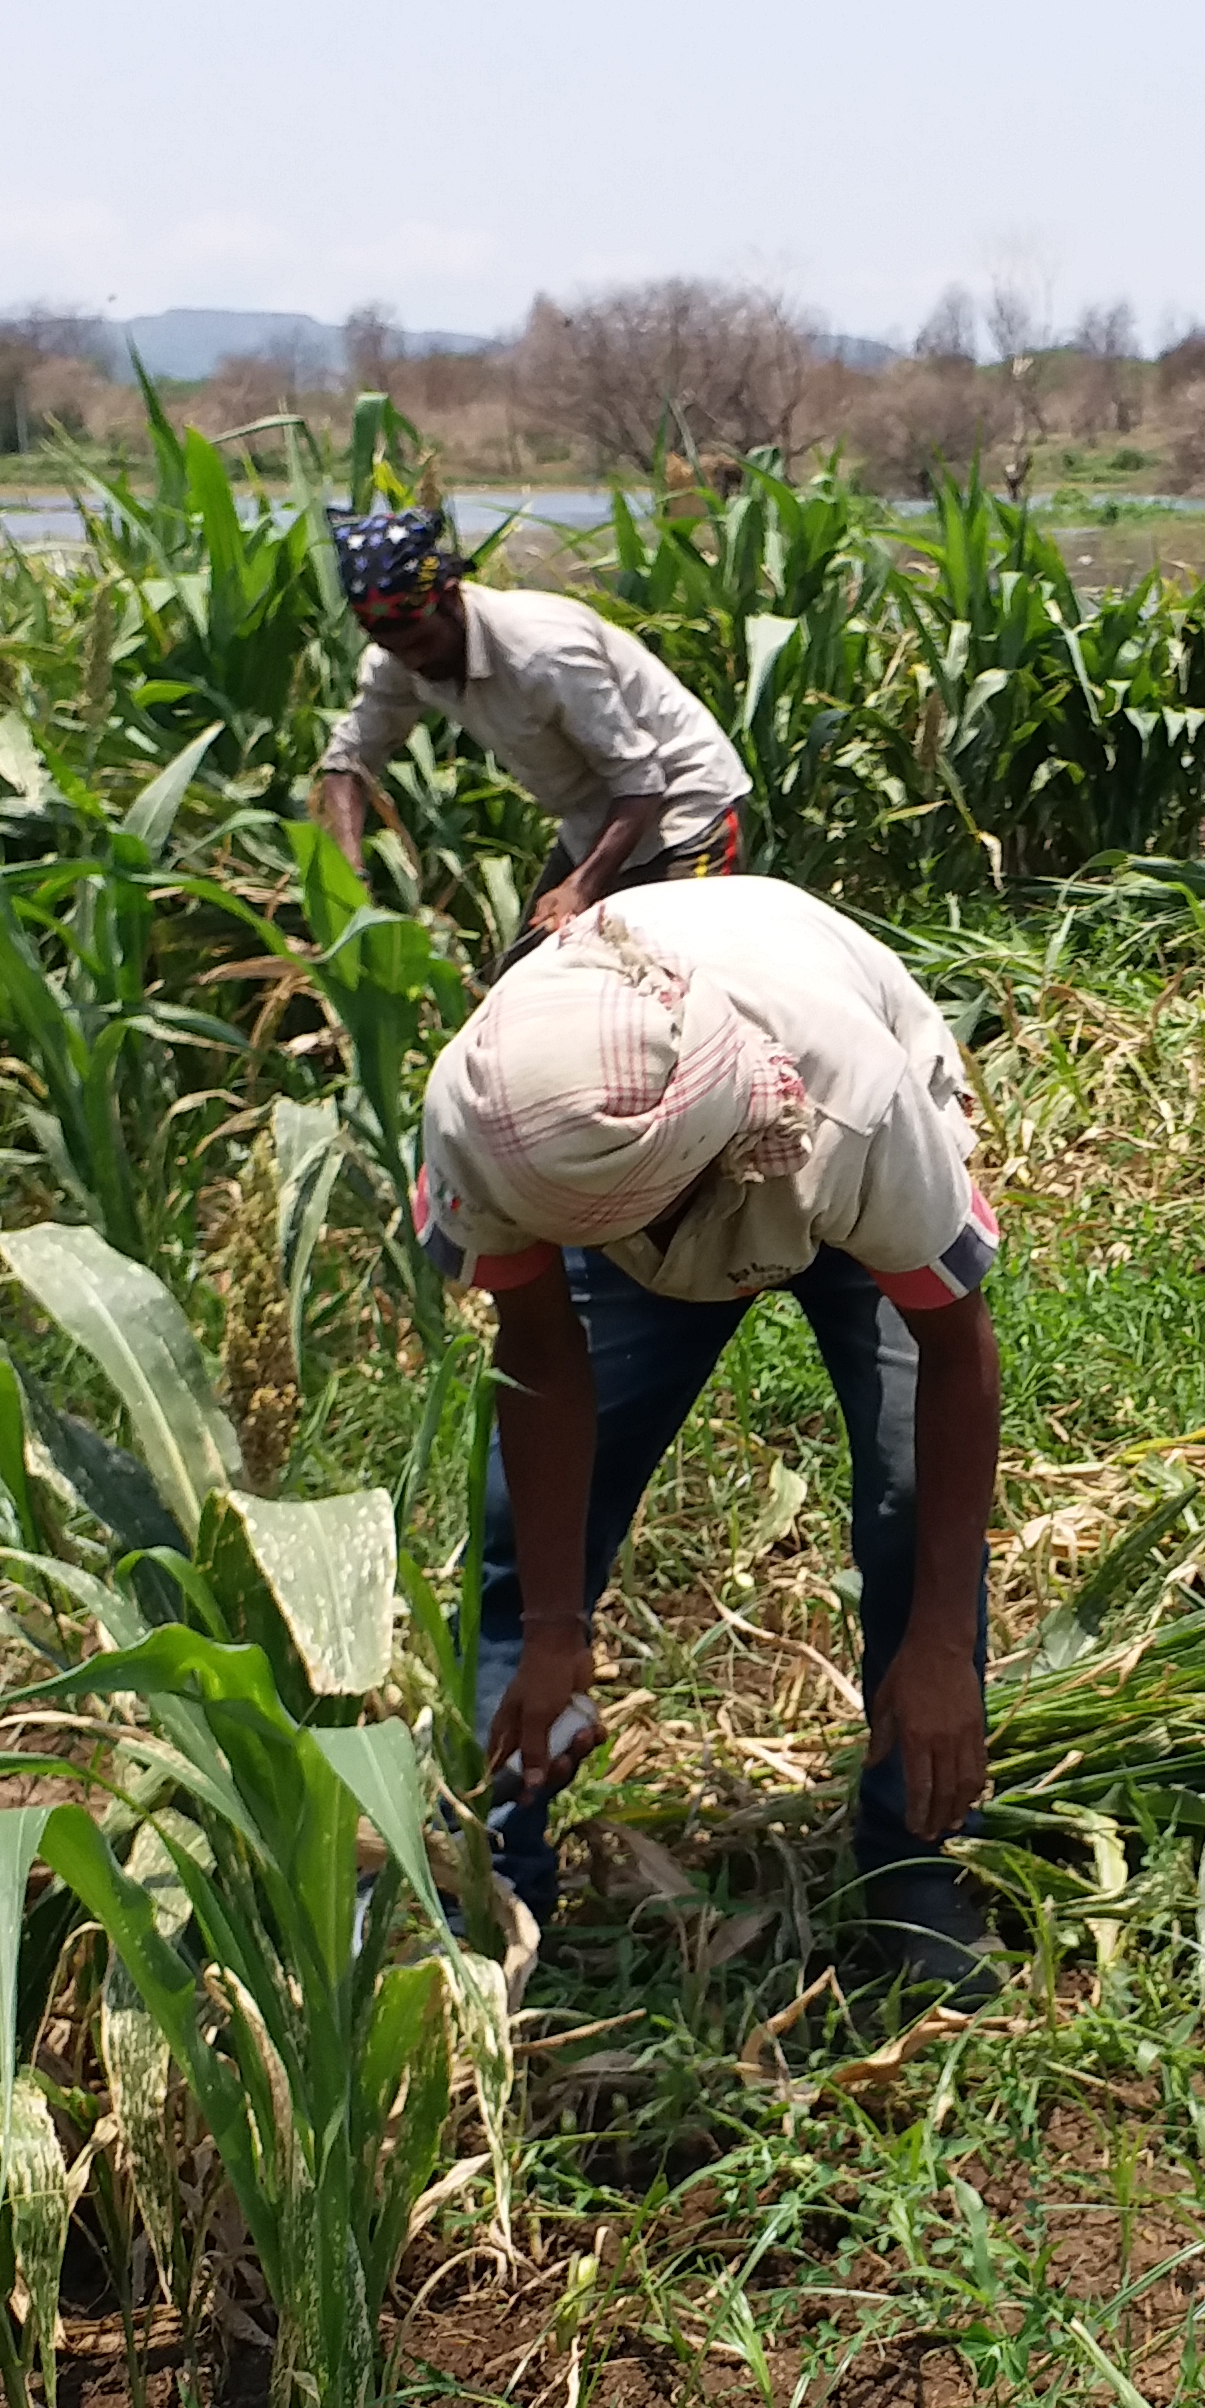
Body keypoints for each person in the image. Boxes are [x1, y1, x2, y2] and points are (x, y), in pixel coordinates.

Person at [412, 877, 1005, 1991]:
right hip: (604, 1167)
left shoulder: (856, 1107)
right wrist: (551, 1630)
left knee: (903, 1500)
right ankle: (496, 1878)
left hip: (809, 1149)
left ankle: (914, 1869)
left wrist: (935, 1646)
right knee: (518, 1530)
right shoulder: (495, 1121)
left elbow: (954, 1351)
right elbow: (542, 1359)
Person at [308, 507, 754, 942]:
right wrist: (351, 867)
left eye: (422, 643)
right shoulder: (401, 659)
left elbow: (641, 779)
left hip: (684, 815)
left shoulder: (543, 654)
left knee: (667, 985)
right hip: (594, 823)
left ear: (449, 597)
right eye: (396, 649)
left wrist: (580, 887)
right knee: (520, 981)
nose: (415, 661)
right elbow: (348, 760)